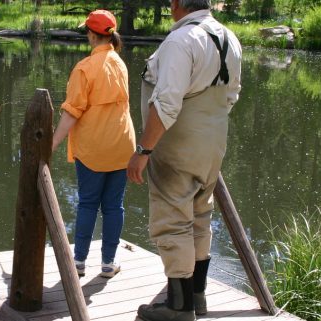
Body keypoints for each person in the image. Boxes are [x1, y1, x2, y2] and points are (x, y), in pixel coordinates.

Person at [127, 0, 242, 320]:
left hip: (177, 145)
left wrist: (143, 150)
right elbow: (232, 94)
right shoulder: (230, 38)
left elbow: (166, 103)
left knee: (172, 219)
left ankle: (178, 307)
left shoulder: (181, 40)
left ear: (177, 4)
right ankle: (197, 296)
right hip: (213, 144)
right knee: (200, 214)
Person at [52, 10, 135, 279]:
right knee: (114, 206)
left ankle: (78, 263)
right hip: (123, 145)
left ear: (91, 34)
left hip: (94, 147)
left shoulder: (84, 68)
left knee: (88, 204)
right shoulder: (119, 63)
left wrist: (51, 144)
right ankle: (109, 264)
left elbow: (71, 112)